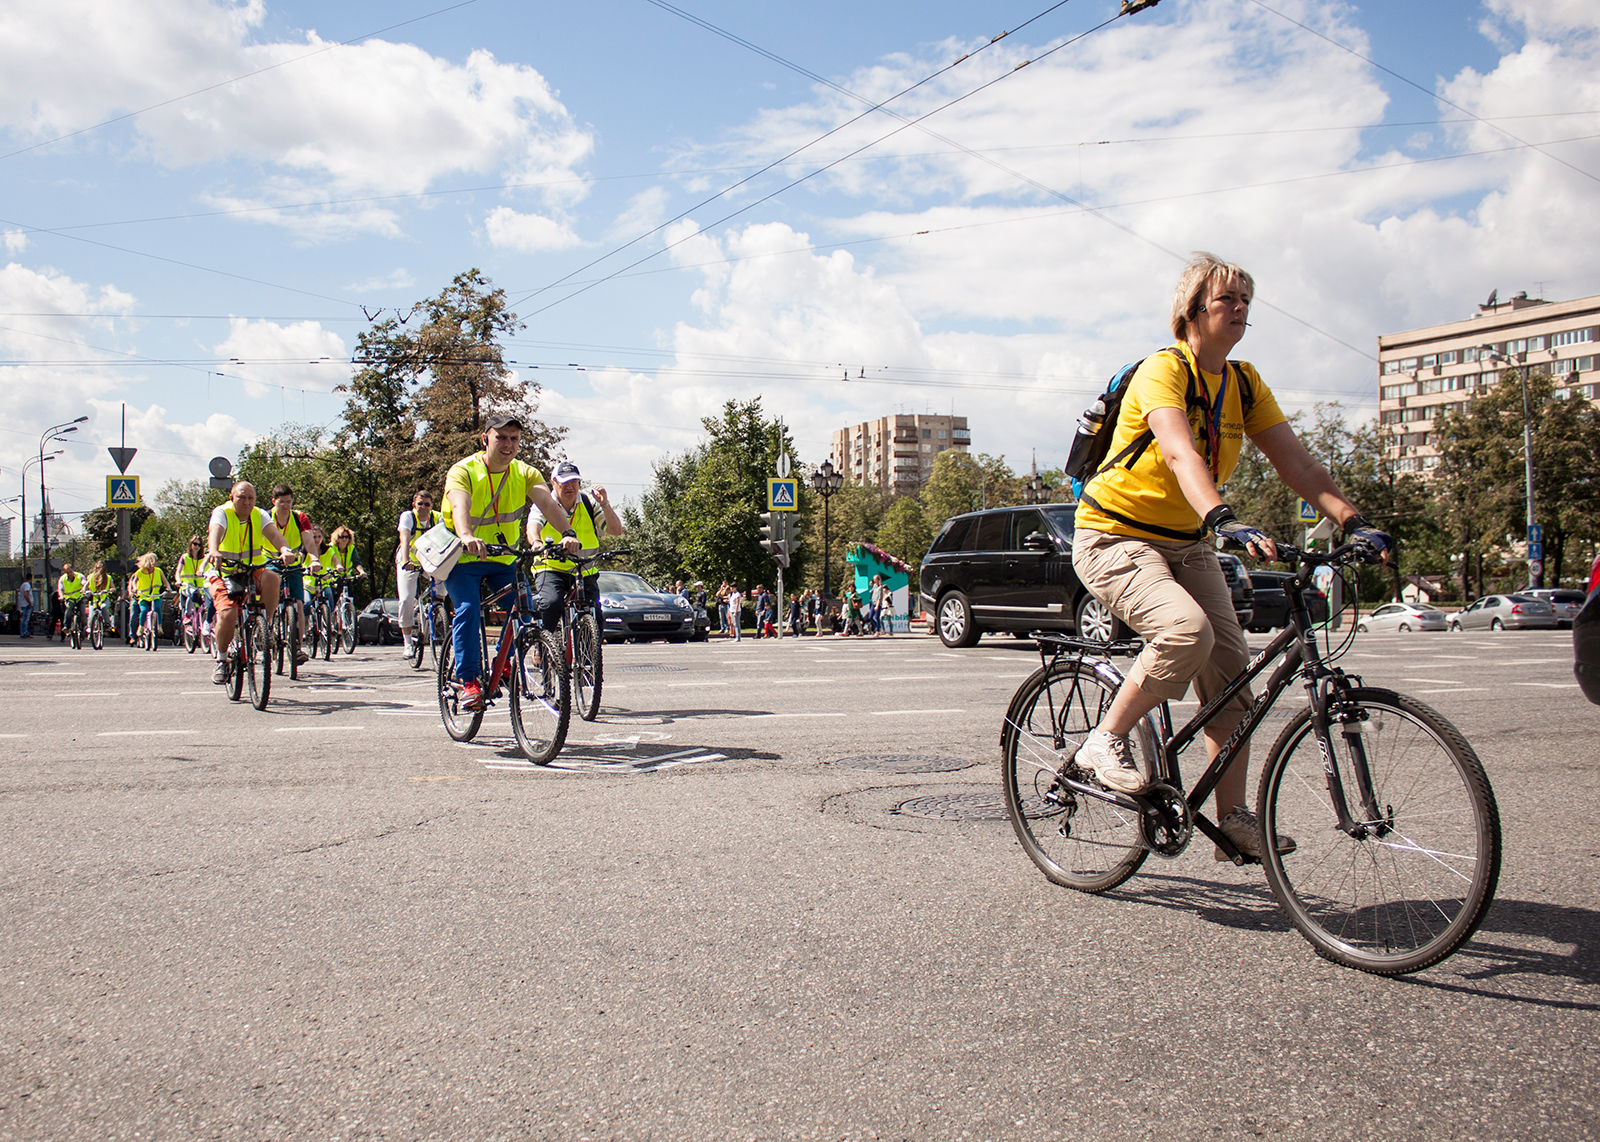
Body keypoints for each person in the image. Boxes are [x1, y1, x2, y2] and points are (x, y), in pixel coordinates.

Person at [1070, 252, 1392, 861]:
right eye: (1227, 300)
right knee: (1183, 632)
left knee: (1233, 679)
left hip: (1187, 543)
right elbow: (1179, 452)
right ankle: (1103, 741)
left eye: (1246, 299)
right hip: (1114, 535)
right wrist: (1222, 517)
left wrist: (1353, 518)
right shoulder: (1163, 372)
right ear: (1192, 313)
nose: (1241, 308)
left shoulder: (1244, 382)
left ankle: (1234, 820)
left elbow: (1294, 462)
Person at [442, 414, 580, 710]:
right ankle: (469, 681)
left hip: (503, 559)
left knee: (525, 610)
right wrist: (466, 535)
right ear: (485, 439)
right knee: (467, 609)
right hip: (463, 558)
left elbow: (547, 504)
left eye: (514, 439)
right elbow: (459, 505)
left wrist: (567, 532)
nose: (508, 444)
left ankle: (503, 667)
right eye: (501, 437)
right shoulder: (463, 470)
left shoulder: (525, 473)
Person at [207, 481, 294, 684]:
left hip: (251, 569)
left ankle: (265, 628)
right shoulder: (222, 513)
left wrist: (284, 550)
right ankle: (221, 659)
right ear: (232, 497)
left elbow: (274, 534)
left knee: (273, 577)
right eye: (241, 497)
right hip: (224, 572)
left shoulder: (259, 514)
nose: (246, 502)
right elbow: (215, 533)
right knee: (228, 614)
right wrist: (214, 550)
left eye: (250, 498)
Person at [267, 484, 320, 665]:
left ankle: (297, 645)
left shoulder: (299, 517)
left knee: (298, 604)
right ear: (274, 501)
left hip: (293, 563)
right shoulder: (266, 517)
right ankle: (268, 630)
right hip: (270, 561)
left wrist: (314, 559)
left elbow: (308, 540)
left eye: (289, 502)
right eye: (282, 502)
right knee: (270, 596)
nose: (286, 506)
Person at [396, 487, 447, 657]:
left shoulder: (437, 517)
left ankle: (436, 611)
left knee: (444, 584)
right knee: (405, 599)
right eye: (420, 504)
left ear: (431, 505)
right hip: (409, 560)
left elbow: (443, 539)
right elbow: (404, 538)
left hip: (429, 560)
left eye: (427, 504)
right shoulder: (408, 516)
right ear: (414, 505)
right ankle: (408, 642)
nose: (423, 507)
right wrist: (405, 560)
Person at [173, 536, 212, 642]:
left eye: (199, 545)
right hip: (187, 585)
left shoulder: (204, 559)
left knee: (210, 600)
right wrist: (178, 581)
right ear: (190, 544)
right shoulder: (184, 557)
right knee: (193, 593)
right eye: (194, 544)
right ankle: (187, 616)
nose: (196, 547)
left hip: (201, 586)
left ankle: (207, 624)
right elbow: (178, 571)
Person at [128, 553, 166, 640]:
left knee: (157, 608)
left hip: (155, 596)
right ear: (151, 561)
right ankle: (141, 627)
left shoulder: (158, 571)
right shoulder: (140, 572)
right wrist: (135, 588)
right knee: (144, 610)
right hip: (143, 596)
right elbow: (133, 581)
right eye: (156, 560)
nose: (157, 562)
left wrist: (168, 587)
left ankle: (159, 627)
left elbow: (165, 581)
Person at [56, 563, 85, 642]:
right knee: (68, 609)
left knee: (82, 612)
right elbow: (60, 589)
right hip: (70, 599)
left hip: (79, 598)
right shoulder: (62, 579)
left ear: (73, 570)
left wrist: (84, 589)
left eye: (70, 572)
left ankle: (83, 628)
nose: (69, 574)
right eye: (67, 572)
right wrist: (61, 596)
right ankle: (66, 627)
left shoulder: (80, 576)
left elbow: (84, 584)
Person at [18, 570, 34, 638]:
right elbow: (25, 594)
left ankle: (24, 631)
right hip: (27, 605)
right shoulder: (27, 585)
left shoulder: (23, 585)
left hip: (24, 604)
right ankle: (24, 632)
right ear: (31, 578)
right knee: (25, 619)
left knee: (24, 619)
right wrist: (29, 602)